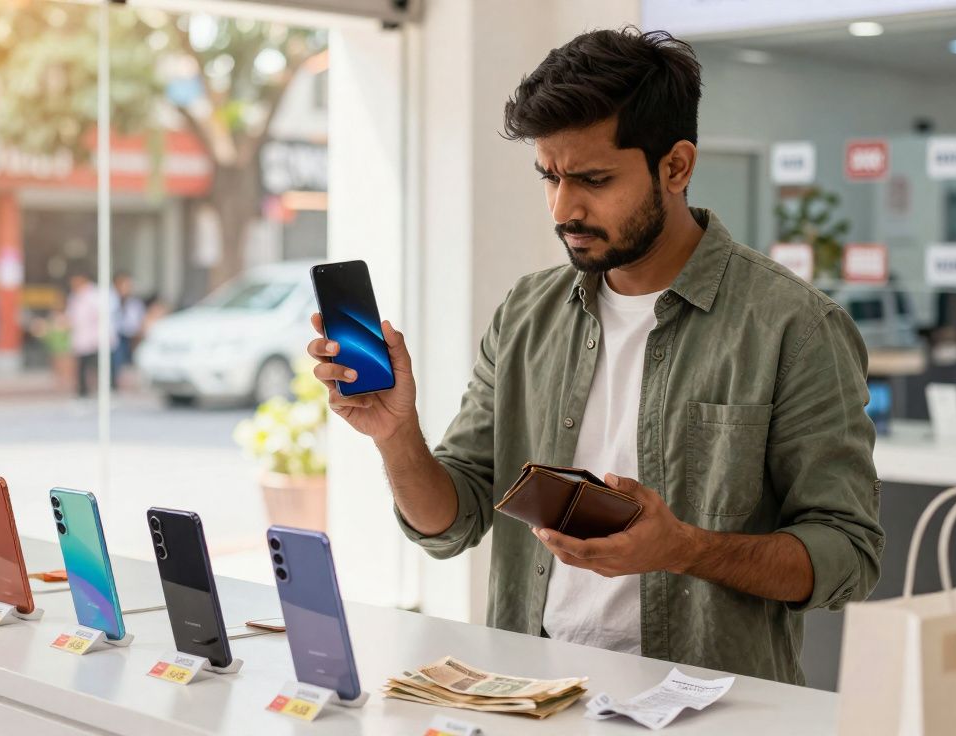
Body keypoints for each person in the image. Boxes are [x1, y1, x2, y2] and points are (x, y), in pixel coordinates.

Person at [305, 28, 883, 685]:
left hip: (705, 708)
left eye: (594, 179)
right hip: (534, 693)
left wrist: (683, 549)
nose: (563, 208)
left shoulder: (794, 327)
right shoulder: (528, 312)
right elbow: (450, 524)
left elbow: (848, 555)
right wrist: (396, 435)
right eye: (549, 177)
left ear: (676, 167)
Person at [113, 272, 146, 386]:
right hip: (116, 335)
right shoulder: (111, 300)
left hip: (131, 336)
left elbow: (138, 320)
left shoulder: (135, 302)